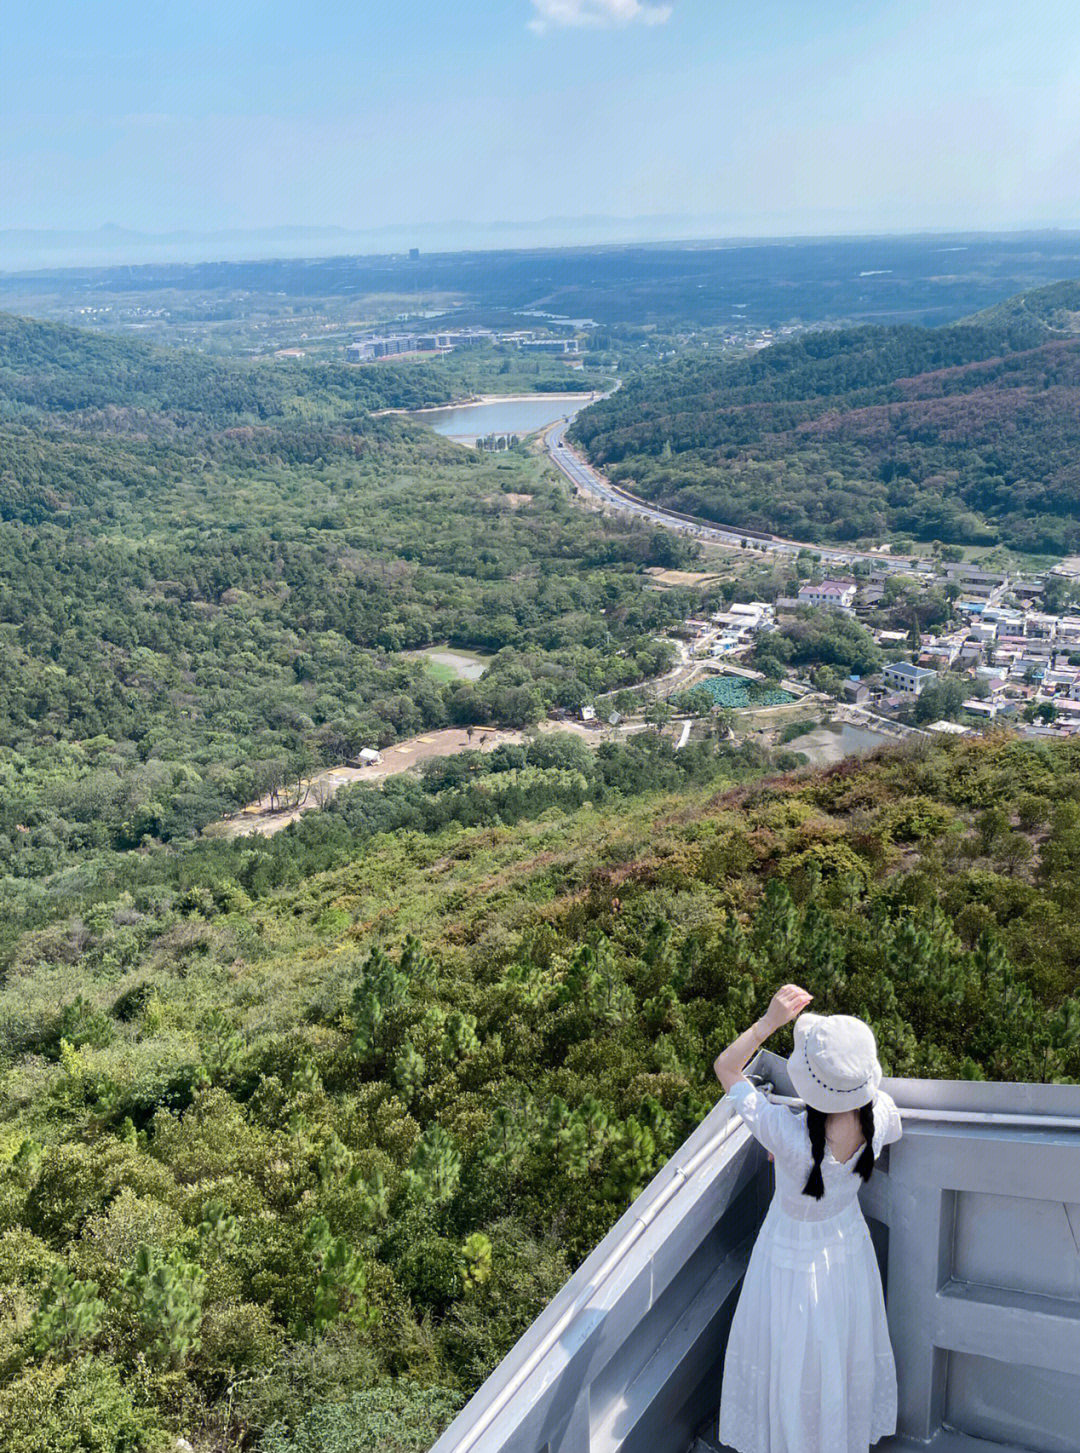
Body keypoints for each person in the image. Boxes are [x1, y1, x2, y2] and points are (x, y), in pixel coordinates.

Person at [712, 984, 902, 1453]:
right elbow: (875, 1108)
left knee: (790, 1358)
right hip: (848, 1251)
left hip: (789, 1259)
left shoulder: (787, 1137)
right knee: (839, 1352)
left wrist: (769, 1022)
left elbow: (725, 1067)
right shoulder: (880, 1116)